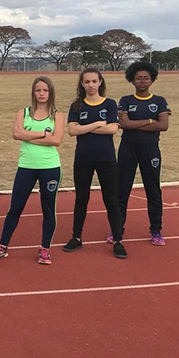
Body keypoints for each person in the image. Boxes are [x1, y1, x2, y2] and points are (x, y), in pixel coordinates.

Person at [0, 76, 65, 264]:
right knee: (15, 208)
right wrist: (41, 133)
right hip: (26, 167)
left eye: (45, 90)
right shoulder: (23, 113)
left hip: (50, 167)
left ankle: (45, 249)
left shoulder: (58, 115)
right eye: (38, 90)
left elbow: (56, 140)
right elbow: (16, 134)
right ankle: (3, 246)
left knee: (48, 209)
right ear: (33, 92)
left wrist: (27, 135)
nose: (41, 94)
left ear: (51, 92)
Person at [62, 68, 126, 259]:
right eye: (87, 82)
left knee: (111, 199)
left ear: (100, 82)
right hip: (83, 159)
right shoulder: (77, 106)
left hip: (106, 159)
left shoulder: (110, 104)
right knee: (81, 198)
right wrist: (98, 124)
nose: (90, 85)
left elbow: (113, 129)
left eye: (94, 81)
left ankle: (118, 240)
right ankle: (76, 237)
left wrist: (85, 128)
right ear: (82, 84)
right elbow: (72, 131)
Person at [114, 62, 171, 246]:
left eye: (146, 78)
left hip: (150, 149)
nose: (142, 81)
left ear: (152, 79)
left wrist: (134, 123)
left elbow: (163, 125)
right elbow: (125, 125)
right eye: (138, 78)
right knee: (122, 190)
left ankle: (156, 231)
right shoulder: (126, 100)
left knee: (153, 190)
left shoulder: (159, 101)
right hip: (128, 148)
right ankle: (117, 230)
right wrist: (148, 120)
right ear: (132, 80)